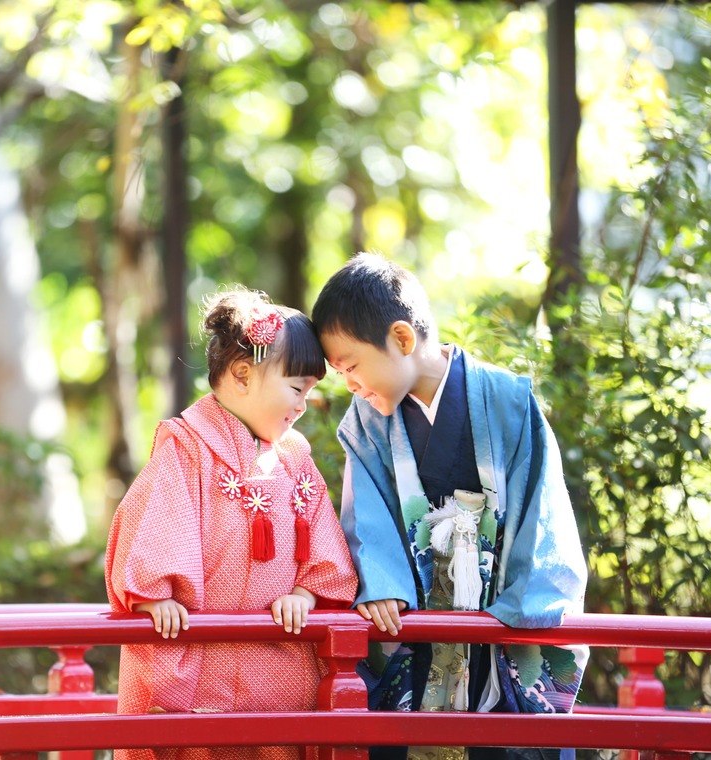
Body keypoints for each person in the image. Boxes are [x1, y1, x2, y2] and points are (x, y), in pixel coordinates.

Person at [311, 253, 588, 760]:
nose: (348, 384)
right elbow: (364, 519)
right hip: (416, 632)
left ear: (401, 339)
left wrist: (519, 607)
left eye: (351, 366)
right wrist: (383, 585)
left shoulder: (508, 401)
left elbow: (541, 511)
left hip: (499, 628)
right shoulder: (366, 424)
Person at [105, 287, 359, 760]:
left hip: (277, 666)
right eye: (297, 387)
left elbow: (324, 550)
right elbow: (155, 528)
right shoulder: (185, 446)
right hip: (199, 662)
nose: (304, 404)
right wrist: (155, 598)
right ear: (242, 374)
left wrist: (305, 593)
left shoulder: (295, 458)